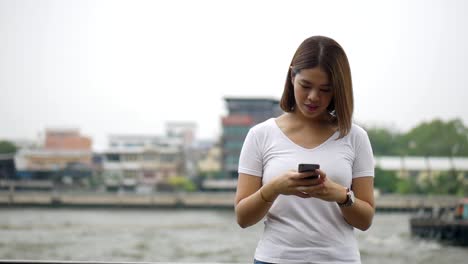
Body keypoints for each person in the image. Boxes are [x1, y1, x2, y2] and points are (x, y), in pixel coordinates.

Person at [235, 35, 375, 264]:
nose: (313, 97)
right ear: (292, 77)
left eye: (325, 89)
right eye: (306, 85)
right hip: (275, 259)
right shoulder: (260, 135)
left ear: (337, 90)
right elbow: (242, 217)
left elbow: (365, 220)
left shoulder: (355, 137)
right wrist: (274, 188)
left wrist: (340, 195)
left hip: (339, 259)